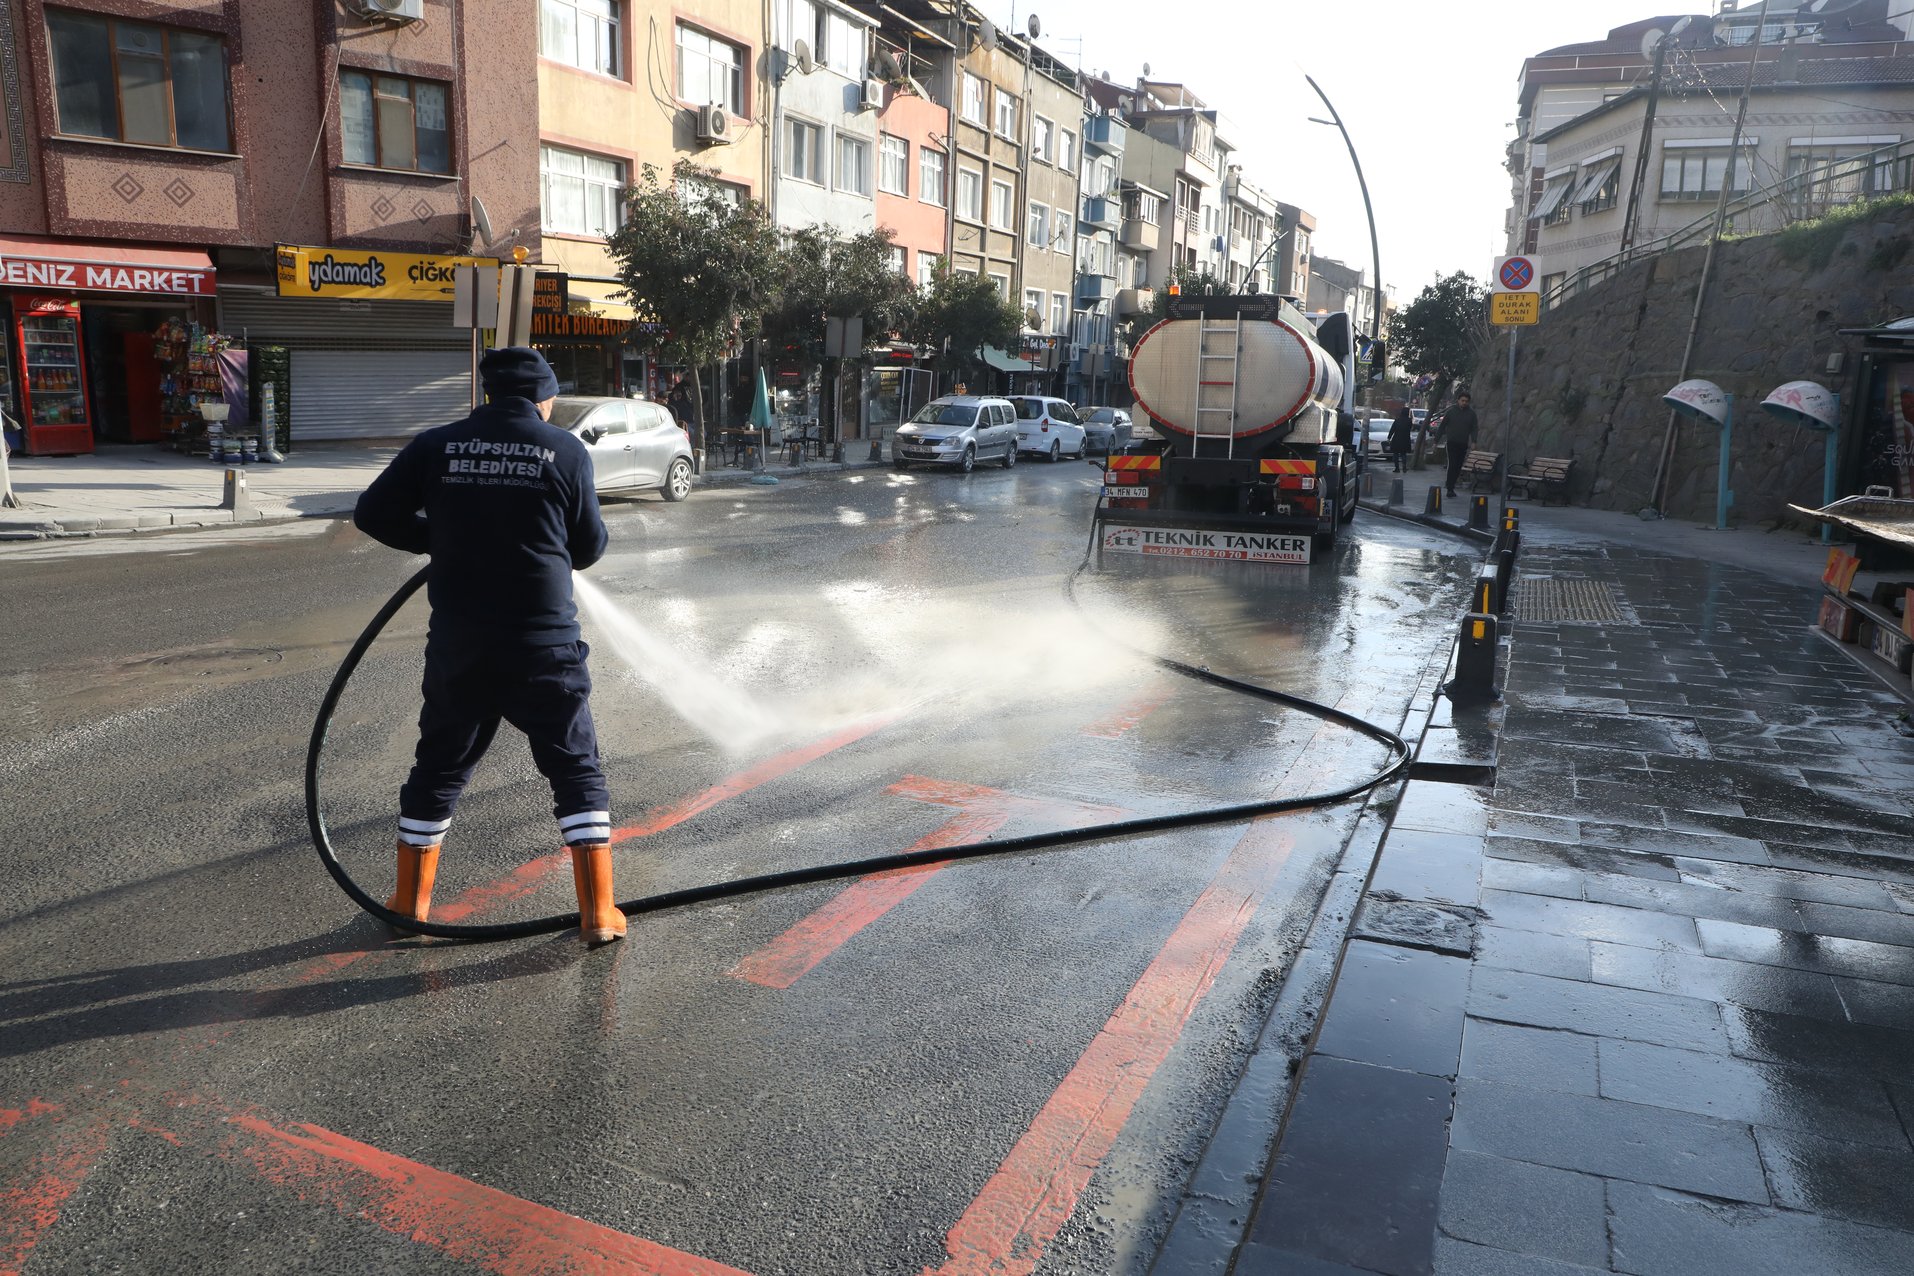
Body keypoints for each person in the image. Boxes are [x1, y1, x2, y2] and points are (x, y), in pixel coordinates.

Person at [353, 347, 624, 947]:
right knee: (575, 768)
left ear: (487, 394)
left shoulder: (437, 444)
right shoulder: (565, 450)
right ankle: (599, 913)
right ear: (544, 399)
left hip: (462, 645)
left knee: (438, 768)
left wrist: (438, 540)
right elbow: (588, 548)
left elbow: (372, 513)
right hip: (543, 645)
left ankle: (409, 905)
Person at [1442, 391, 1479, 496]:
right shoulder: (1451, 412)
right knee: (1452, 464)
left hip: (1463, 444)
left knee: (1458, 466)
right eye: (1462, 401)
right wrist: (1436, 441)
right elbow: (1442, 426)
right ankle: (1449, 487)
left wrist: (1474, 441)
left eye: (1466, 401)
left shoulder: (1471, 414)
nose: (1464, 403)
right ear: (1458, 401)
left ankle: (1452, 486)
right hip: (1451, 443)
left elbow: (1474, 428)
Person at [1388, 405, 1414, 473]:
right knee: (1403, 454)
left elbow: (1392, 429)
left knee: (1395, 454)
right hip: (1405, 439)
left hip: (1396, 439)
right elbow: (1411, 428)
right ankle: (1404, 468)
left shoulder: (1397, 420)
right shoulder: (1409, 421)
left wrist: (1389, 437)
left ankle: (1397, 468)